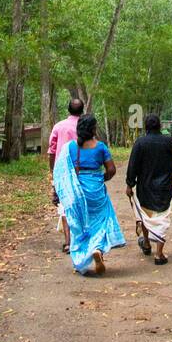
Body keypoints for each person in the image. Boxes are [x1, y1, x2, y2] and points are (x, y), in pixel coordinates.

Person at [53, 112, 125, 275]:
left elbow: (60, 172)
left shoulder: (70, 147)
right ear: (93, 129)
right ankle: (97, 249)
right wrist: (101, 178)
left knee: (79, 224)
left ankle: (82, 258)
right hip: (96, 190)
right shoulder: (100, 147)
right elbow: (111, 169)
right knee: (100, 222)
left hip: (77, 192)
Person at [125, 113, 172, 265]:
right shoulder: (170, 142)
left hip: (145, 186)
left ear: (146, 127)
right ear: (160, 126)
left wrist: (129, 184)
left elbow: (133, 165)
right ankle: (159, 253)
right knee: (162, 217)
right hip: (164, 187)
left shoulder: (140, 143)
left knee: (145, 214)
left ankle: (147, 243)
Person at [48, 96, 84, 252]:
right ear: (82, 111)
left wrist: (52, 171)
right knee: (80, 202)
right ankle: (80, 238)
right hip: (82, 170)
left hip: (62, 171)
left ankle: (68, 242)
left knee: (65, 204)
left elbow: (51, 151)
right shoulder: (86, 127)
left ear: (68, 110)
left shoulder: (59, 126)